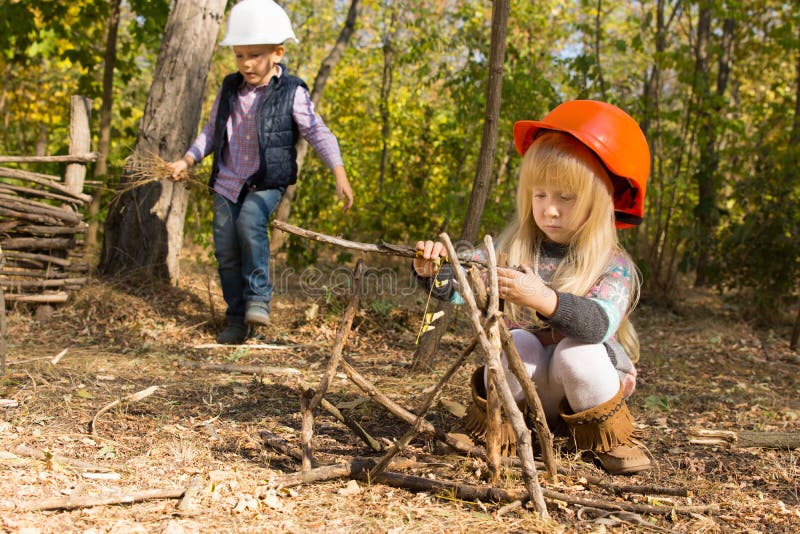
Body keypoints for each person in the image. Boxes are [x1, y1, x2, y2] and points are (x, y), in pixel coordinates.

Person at [413, 100, 651, 475]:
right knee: (518, 343)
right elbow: (464, 284)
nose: (549, 210)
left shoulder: (613, 265)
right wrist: (436, 271)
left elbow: (597, 324)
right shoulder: (513, 249)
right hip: (532, 388)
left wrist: (543, 298)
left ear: (598, 200)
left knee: (578, 353)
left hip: (585, 395)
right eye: (540, 195)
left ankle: (610, 438)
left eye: (565, 198)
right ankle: (499, 428)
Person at [169, 0, 354, 344]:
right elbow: (211, 132)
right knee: (226, 251)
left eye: (254, 55)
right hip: (227, 181)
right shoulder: (229, 88)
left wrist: (339, 172)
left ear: (277, 53)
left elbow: (317, 131)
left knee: (250, 221)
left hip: (267, 181)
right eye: (239, 55)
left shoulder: (292, 92)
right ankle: (237, 319)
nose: (246, 63)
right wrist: (187, 160)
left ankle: (258, 299)